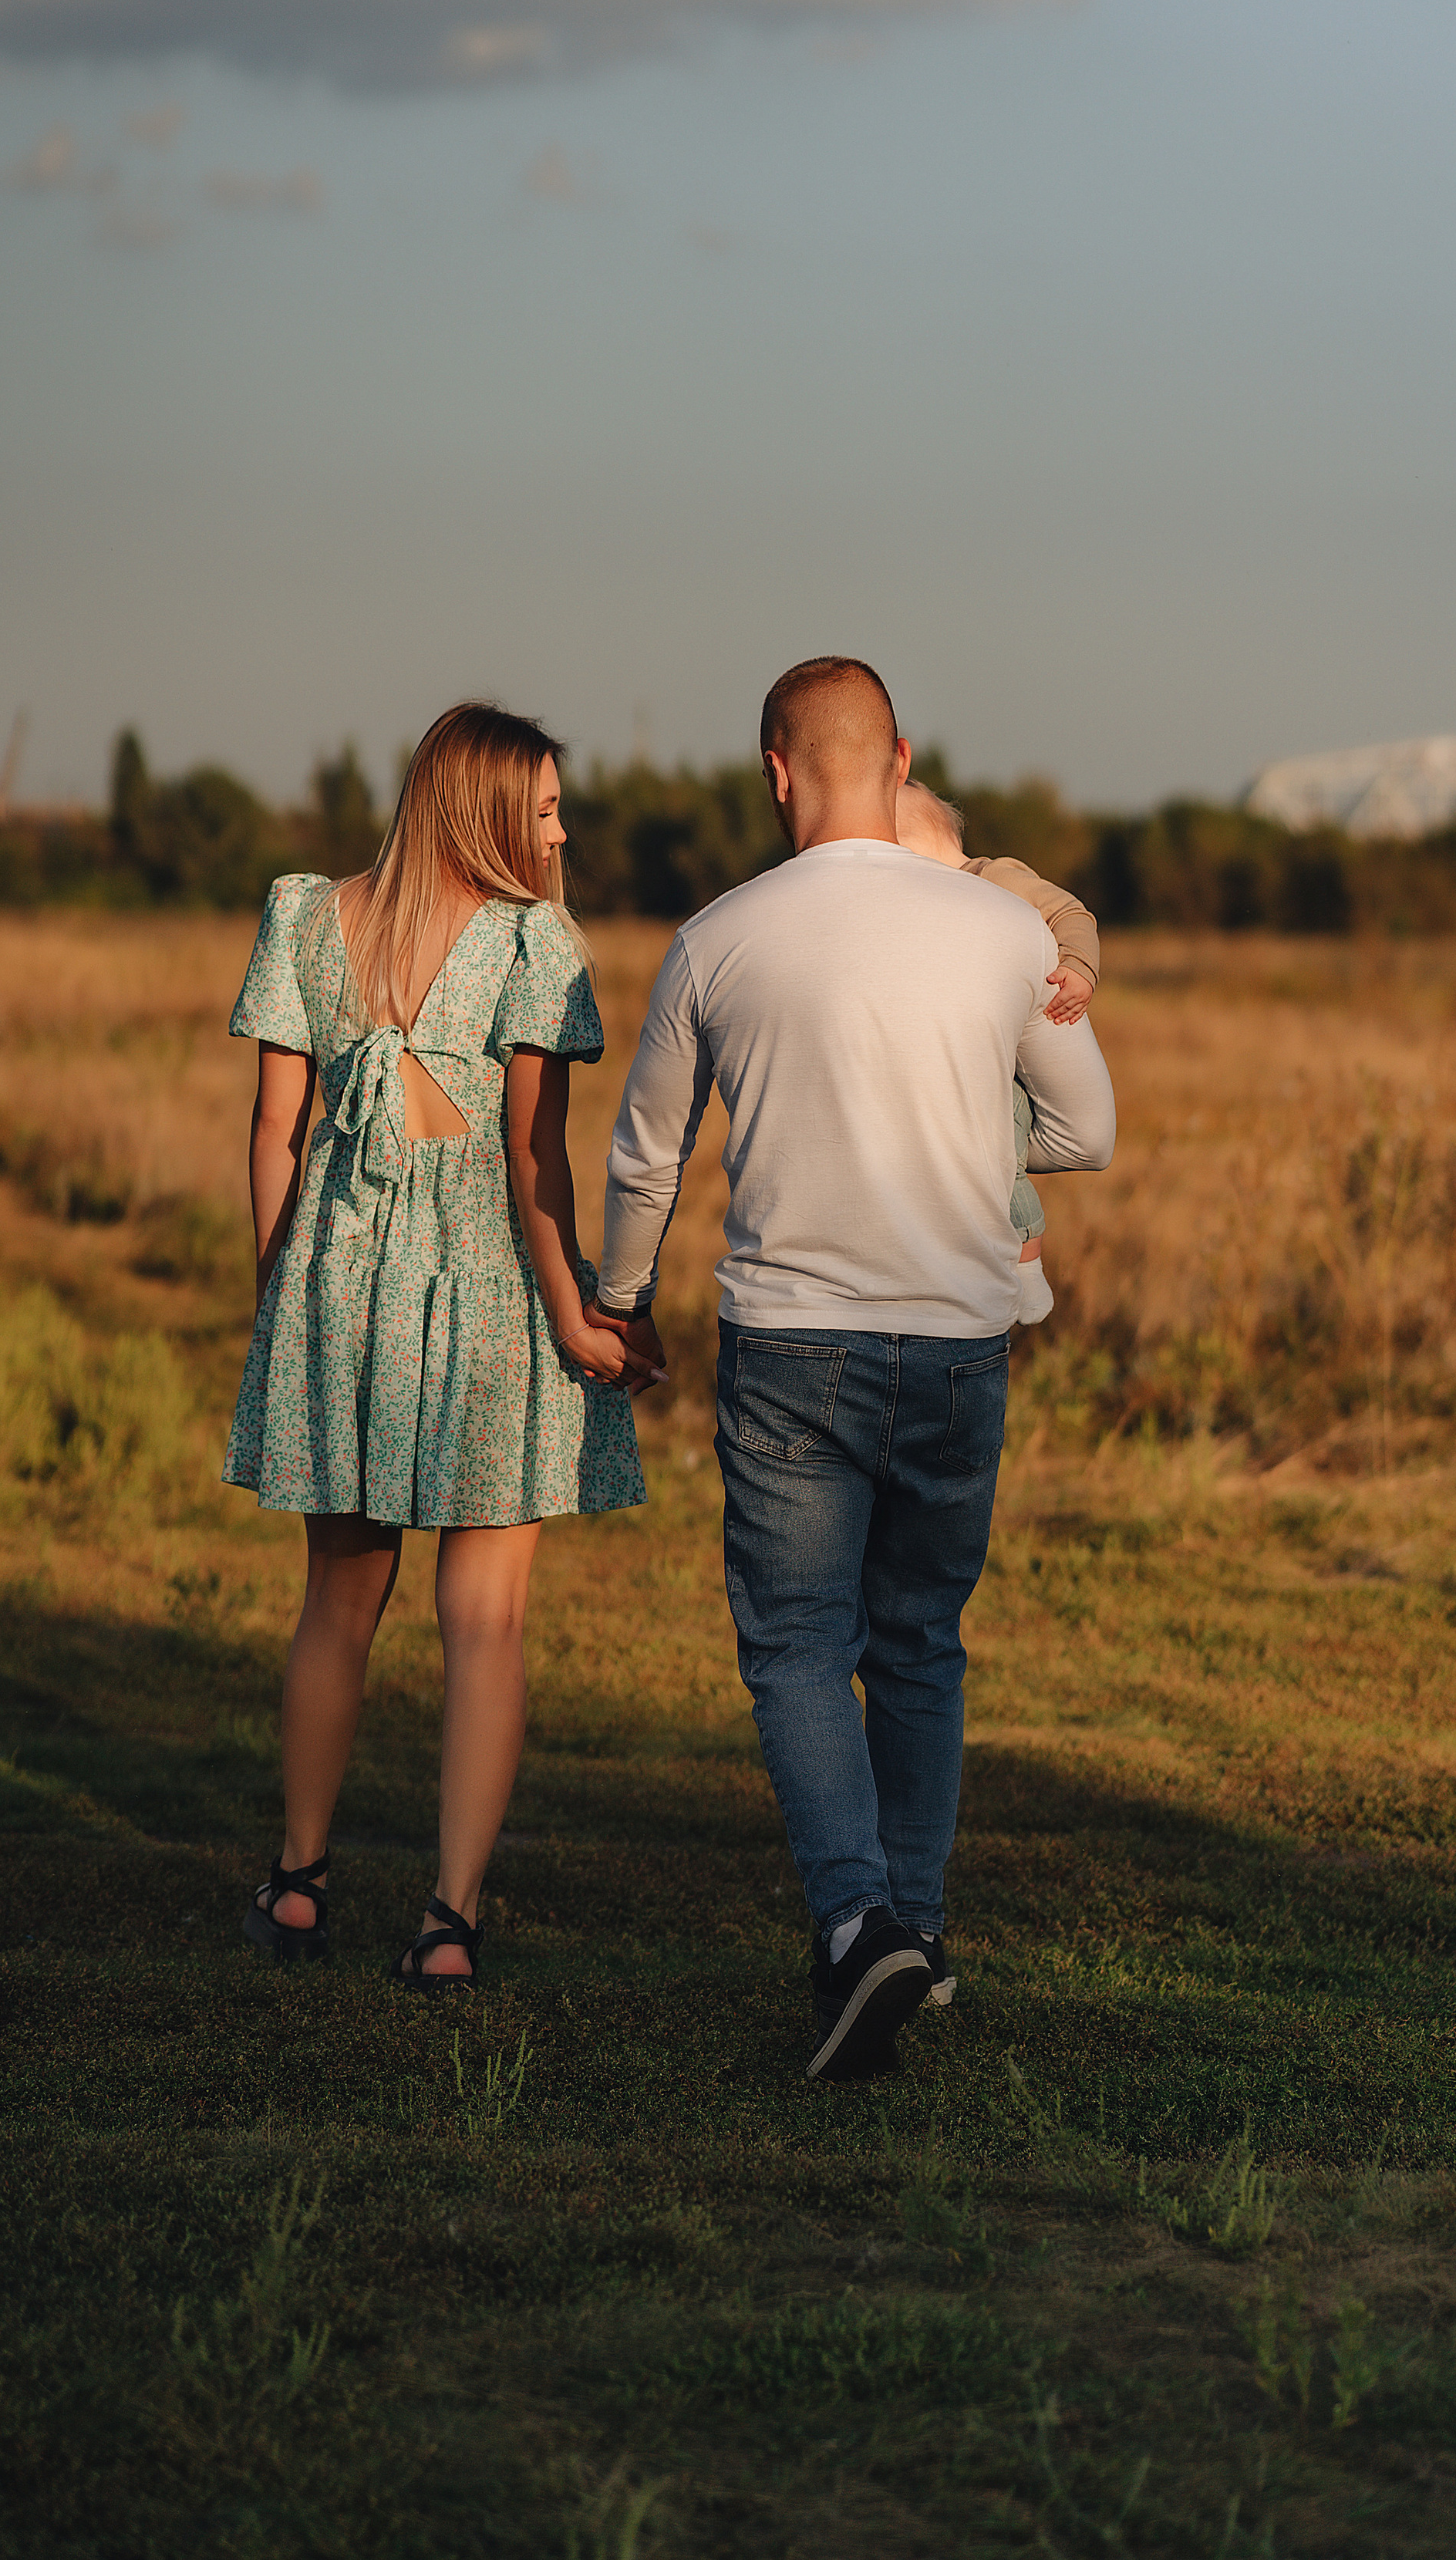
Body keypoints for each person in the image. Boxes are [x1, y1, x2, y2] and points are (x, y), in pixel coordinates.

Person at [588, 659, 1114, 2079]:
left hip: (792, 1344)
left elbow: (647, 1152)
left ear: (775, 771)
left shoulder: (717, 938)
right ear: (899, 756)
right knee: (921, 1640)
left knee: (799, 1641)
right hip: (958, 1341)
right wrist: (970, 1131)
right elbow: (1085, 1127)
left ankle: (853, 1925)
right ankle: (920, 1939)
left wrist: (620, 1301)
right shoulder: (1001, 932)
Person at [229, 702, 649, 1991]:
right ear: (485, 811)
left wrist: (281, 1297)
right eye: (545, 807)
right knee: (487, 1617)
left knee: (337, 1604)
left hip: (333, 1290)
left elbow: (272, 1134)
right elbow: (537, 1161)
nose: (563, 827)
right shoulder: (536, 941)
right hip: (487, 1296)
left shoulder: (303, 912)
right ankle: (447, 1922)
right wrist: (582, 1310)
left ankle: (299, 1882)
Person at [891, 780, 1104, 1327]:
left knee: (1001, 1152)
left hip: (1008, 1067)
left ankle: (1027, 1263)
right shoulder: (935, 908)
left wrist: (1079, 967)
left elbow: (1072, 913)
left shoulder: (994, 878)